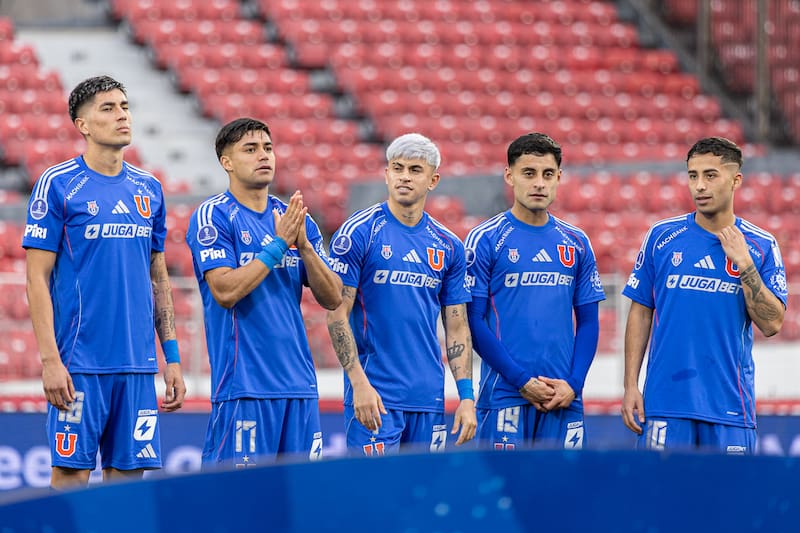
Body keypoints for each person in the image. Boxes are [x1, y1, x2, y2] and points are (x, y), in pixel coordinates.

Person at [23, 75, 186, 489]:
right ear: (83, 125)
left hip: (137, 366)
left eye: (125, 106)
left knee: (128, 484)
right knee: (71, 478)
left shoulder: (148, 188)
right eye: (108, 108)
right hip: (79, 365)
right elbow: (36, 279)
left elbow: (158, 277)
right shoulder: (58, 184)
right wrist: (50, 361)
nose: (121, 116)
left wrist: (171, 358)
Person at [186, 118, 341, 467]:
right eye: (251, 149)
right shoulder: (213, 215)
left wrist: (306, 249)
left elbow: (332, 298)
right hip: (245, 386)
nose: (263, 156)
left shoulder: (294, 218)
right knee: (236, 506)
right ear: (226, 162)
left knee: (299, 508)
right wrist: (278, 245)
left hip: (299, 386)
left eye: (268, 148)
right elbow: (224, 290)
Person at [621, 137, 787, 454]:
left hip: (730, 407)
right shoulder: (661, 236)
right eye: (693, 175)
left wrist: (745, 264)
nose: (699, 186)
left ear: (736, 180)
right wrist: (630, 385)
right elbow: (641, 310)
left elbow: (772, 323)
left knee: (728, 504)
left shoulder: (761, 245)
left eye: (710, 175)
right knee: (659, 501)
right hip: (665, 404)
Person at [326, 132, 476, 455]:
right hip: (375, 398)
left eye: (414, 170)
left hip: (429, 397)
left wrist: (466, 396)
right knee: (374, 499)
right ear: (386, 174)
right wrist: (358, 383)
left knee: (421, 501)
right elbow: (336, 313)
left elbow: (457, 326)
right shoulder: (359, 233)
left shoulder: (449, 245)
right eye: (397, 168)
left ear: (433, 180)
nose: (404, 177)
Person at [464, 133, 605, 451]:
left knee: (563, 496)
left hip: (564, 398)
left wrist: (574, 384)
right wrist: (521, 380)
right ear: (509, 176)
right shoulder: (485, 239)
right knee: (506, 496)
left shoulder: (576, 242)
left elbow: (588, 322)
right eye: (529, 173)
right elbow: (472, 321)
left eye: (547, 174)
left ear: (559, 178)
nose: (539, 183)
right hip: (505, 395)